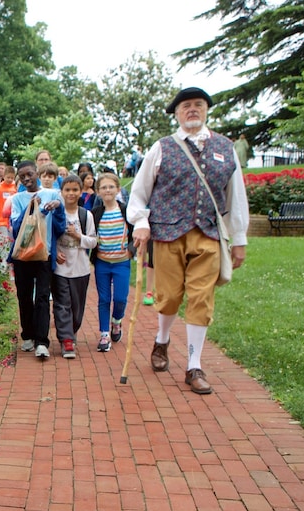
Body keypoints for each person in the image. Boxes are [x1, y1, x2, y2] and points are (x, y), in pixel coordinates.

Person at [127, 87, 249, 395]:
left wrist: (240, 237)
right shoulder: (162, 147)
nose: (192, 110)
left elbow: (236, 198)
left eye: (198, 105)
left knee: (201, 298)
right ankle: (162, 339)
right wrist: (141, 222)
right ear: (177, 114)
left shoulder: (226, 148)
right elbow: (139, 193)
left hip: (208, 234)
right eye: (186, 107)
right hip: (167, 234)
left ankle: (194, 365)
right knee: (168, 297)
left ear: (206, 110)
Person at [8, 160, 67, 360]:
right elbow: (15, 228)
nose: (26, 178)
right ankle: (28, 335)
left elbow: (60, 227)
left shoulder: (52, 194)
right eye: (22, 176)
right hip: (23, 255)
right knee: (24, 296)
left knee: (42, 297)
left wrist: (58, 208)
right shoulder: (17, 199)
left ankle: (42, 341)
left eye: (30, 174)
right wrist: (32, 207)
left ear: (37, 173)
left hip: (44, 254)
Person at [52, 174, 97, 359]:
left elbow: (93, 241)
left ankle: (72, 331)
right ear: (61, 192)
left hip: (80, 269)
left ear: (80, 192)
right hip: (60, 269)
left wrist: (79, 236)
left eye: (75, 190)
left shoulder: (86, 215)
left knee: (77, 308)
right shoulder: (56, 213)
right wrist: (55, 253)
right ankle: (66, 340)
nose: (71, 193)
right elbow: (49, 237)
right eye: (67, 190)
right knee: (62, 304)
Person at [91, 173, 134, 352]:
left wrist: (131, 249)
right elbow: (90, 235)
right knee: (104, 299)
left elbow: (136, 231)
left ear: (117, 189)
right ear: (98, 191)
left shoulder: (126, 210)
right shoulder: (95, 213)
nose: (107, 190)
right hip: (102, 262)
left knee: (120, 298)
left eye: (111, 187)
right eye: (103, 187)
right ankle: (104, 334)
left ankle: (116, 321)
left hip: (122, 262)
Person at [0, 165, 18, 242]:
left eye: (12, 178)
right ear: (4, 176)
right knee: (3, 243)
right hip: (0, 221)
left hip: (13, 221)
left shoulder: (15, 188)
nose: (10, 180)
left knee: (12, 242)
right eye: (8, 177)